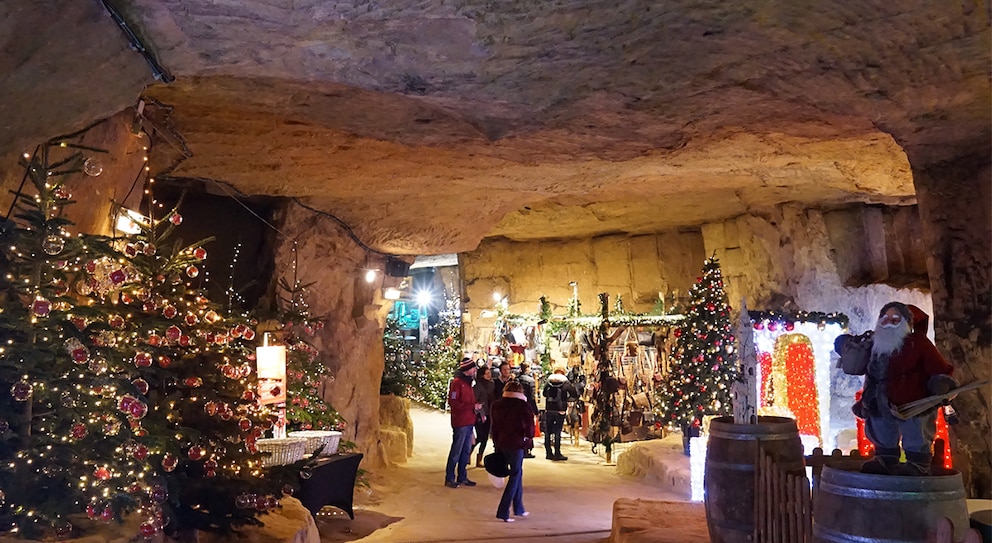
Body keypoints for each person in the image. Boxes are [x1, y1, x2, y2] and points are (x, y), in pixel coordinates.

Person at [854, 302, 955, 476]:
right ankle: (884, 460)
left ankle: (917, 464)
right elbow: (871, 374)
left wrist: (941, 383)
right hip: (880, 402)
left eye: (895, 319)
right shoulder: (876, 345)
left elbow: (938, 367)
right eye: (885, 319)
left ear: (907, 323)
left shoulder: (919, 343)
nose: (889, 323)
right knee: (881, 429)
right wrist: (866, 399)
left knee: (916, 432)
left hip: (914, 403)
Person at [490, 380, 535, 522]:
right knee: (515, 475)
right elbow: (529, 428)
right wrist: (528, 440)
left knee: (518, 473)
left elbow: (494, 427)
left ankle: (519, 507)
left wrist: (496, 442)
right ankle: (503, 511)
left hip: (502, 442)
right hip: (516, 443)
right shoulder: (523, 407)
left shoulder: (497, 405)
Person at [445, 357, 482, 488]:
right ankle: (450, 478)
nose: (475, 370)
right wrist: (472, 407)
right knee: (456, 450)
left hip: (469, 421)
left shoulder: (468, 383)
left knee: (465, 451)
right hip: (461, 422)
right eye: (473, 367)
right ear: (467, 369)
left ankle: (462, 476)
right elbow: (453, 402)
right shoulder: (457, 383)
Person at [542, 367, 578, 461]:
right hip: (560, 409)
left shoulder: (548, 381)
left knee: (548, 431)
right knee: (558, 431)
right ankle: (557, 453)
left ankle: (548, 453)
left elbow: (544, 393)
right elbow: (574, 394)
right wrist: (566, 399)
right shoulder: (565, 383)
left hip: (549, 409)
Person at [473, 364, 496, 468]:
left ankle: (479, 459)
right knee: (480, 436)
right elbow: (475, 400)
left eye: (489, 373)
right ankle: (469, 450)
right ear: (481, 375)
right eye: (486, 373)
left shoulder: (492, 384)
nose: (489, 375)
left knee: (485, 437)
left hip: (489, 413)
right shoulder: (477, 386)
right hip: (480, 414)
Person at [515, 362, 540, 458]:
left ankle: (520, 447)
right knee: (527, 428)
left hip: (516, 406)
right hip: (527, 406)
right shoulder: (530, 380)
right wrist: (535, 410)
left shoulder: (516, 380)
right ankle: (527, 449)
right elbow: (532, 396)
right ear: (527, 369)